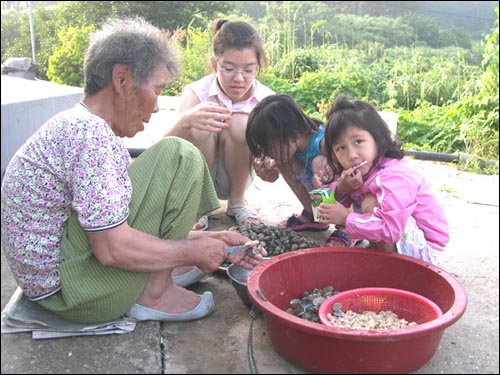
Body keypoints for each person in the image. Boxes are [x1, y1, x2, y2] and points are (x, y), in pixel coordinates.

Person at [0, 17, 265, 325]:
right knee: (178, 155)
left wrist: (208, 240)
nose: (155, 106)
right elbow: (111, 248)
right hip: (73, 293)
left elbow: (117, 212)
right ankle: (153, 292)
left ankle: (157, 278)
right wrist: (191, 253)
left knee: (166, 161)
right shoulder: (90, 136)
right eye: (157, 88)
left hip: (59, 279)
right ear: (122, 80)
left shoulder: (84, 126)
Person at [164, 19, 275, 231]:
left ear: (258, 68)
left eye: (248, 70)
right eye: (229, 68)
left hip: (237, 174)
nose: (239, 79)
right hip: (195, 176)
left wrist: (267, 161)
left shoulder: (266, 99)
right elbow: (166, 145)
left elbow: (276, 152)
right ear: (215, 64)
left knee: (241, 123)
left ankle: (237, 203)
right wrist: (187, 120)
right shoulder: (197, 92)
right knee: (200, 123)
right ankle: (198, 205)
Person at [316, 94, 449, 266]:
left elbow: (391, 228)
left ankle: (391, 268)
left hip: (427, 253)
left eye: (358, 141)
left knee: (370, 203)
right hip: (404, 241)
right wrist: (342, 188)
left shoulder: (395, 176)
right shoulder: (364, 169)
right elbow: (318, 210)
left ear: (377, 139)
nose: (352, 155)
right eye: (341, 148)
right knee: (349, 197)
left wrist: (345, 219)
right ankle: (380, 255)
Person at [246, 94, 331, 231]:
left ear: (293, 135)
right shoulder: (293, 145)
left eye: (269, 148)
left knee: (318, 162)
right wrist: (267, 169)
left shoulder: (323, 144)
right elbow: (272, 173)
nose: (268, 154)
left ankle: (344, 228)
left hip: (345, 201)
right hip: (321, 200)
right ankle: (314, 214)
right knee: (283, 161)